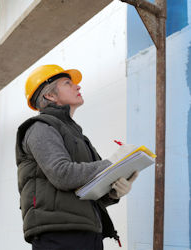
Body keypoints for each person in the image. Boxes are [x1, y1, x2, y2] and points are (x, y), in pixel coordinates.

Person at [15, 64, 138, 250]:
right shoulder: (40, 128)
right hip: (59, 234)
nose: (77, 86)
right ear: (50, 95)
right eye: (67, 83)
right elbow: (62, 174)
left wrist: (113, 192)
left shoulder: (78, 136)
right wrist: (111, 164)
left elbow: (91, 189)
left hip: (87, 231)